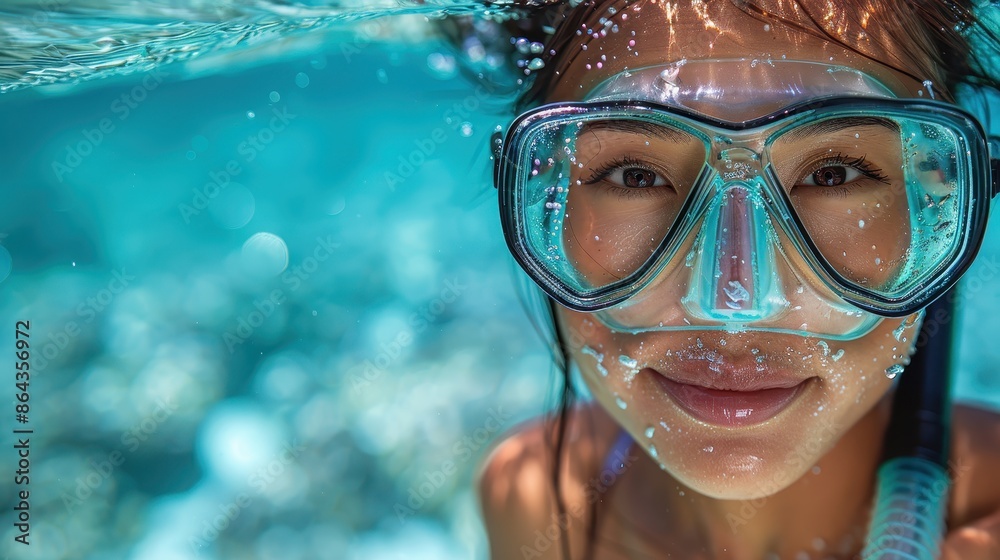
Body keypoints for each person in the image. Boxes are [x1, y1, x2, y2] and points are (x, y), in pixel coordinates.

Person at [475, 1, 1000, 558]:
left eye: (831, 175)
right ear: (544, 199)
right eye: (637, 176)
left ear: (939, 208)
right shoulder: (536, 508)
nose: (734, 302)